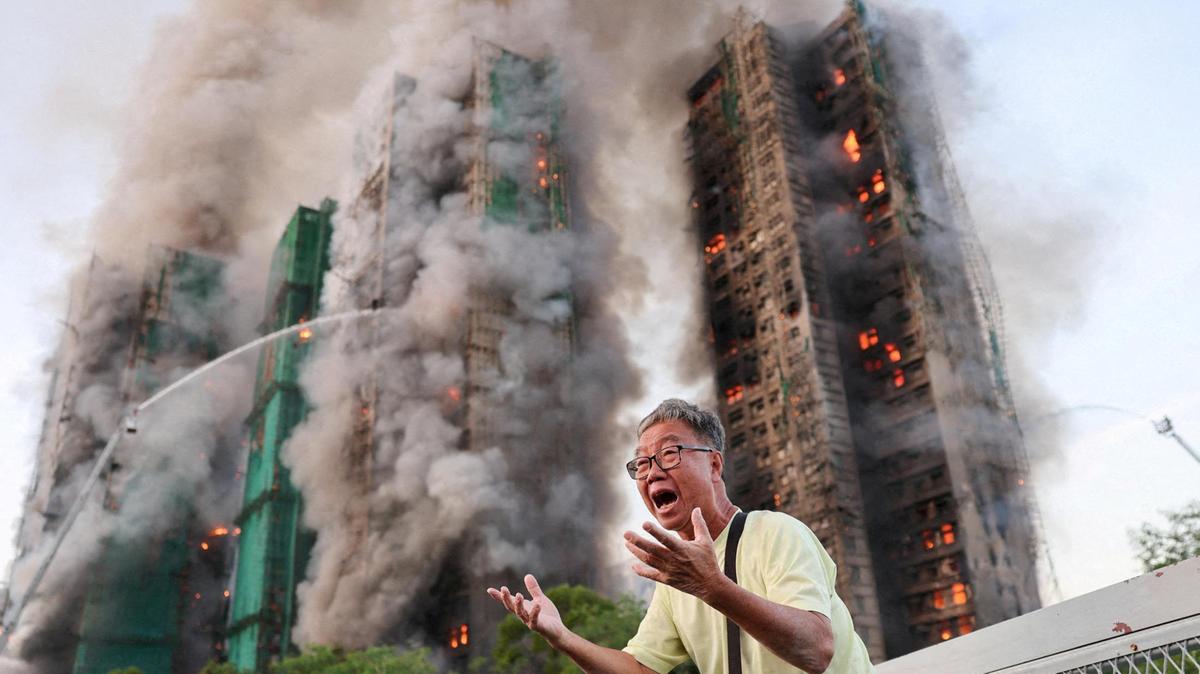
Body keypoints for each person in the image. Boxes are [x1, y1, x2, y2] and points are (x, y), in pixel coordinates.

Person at [487, 398, 876, 673]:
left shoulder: (775, 533)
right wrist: (563, 637)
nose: (652, 471)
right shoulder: (677, 582)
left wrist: (711, 586)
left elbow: (816, 650)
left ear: (714, 464)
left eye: (669, 454)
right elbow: (640, 669)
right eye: (641, 463)